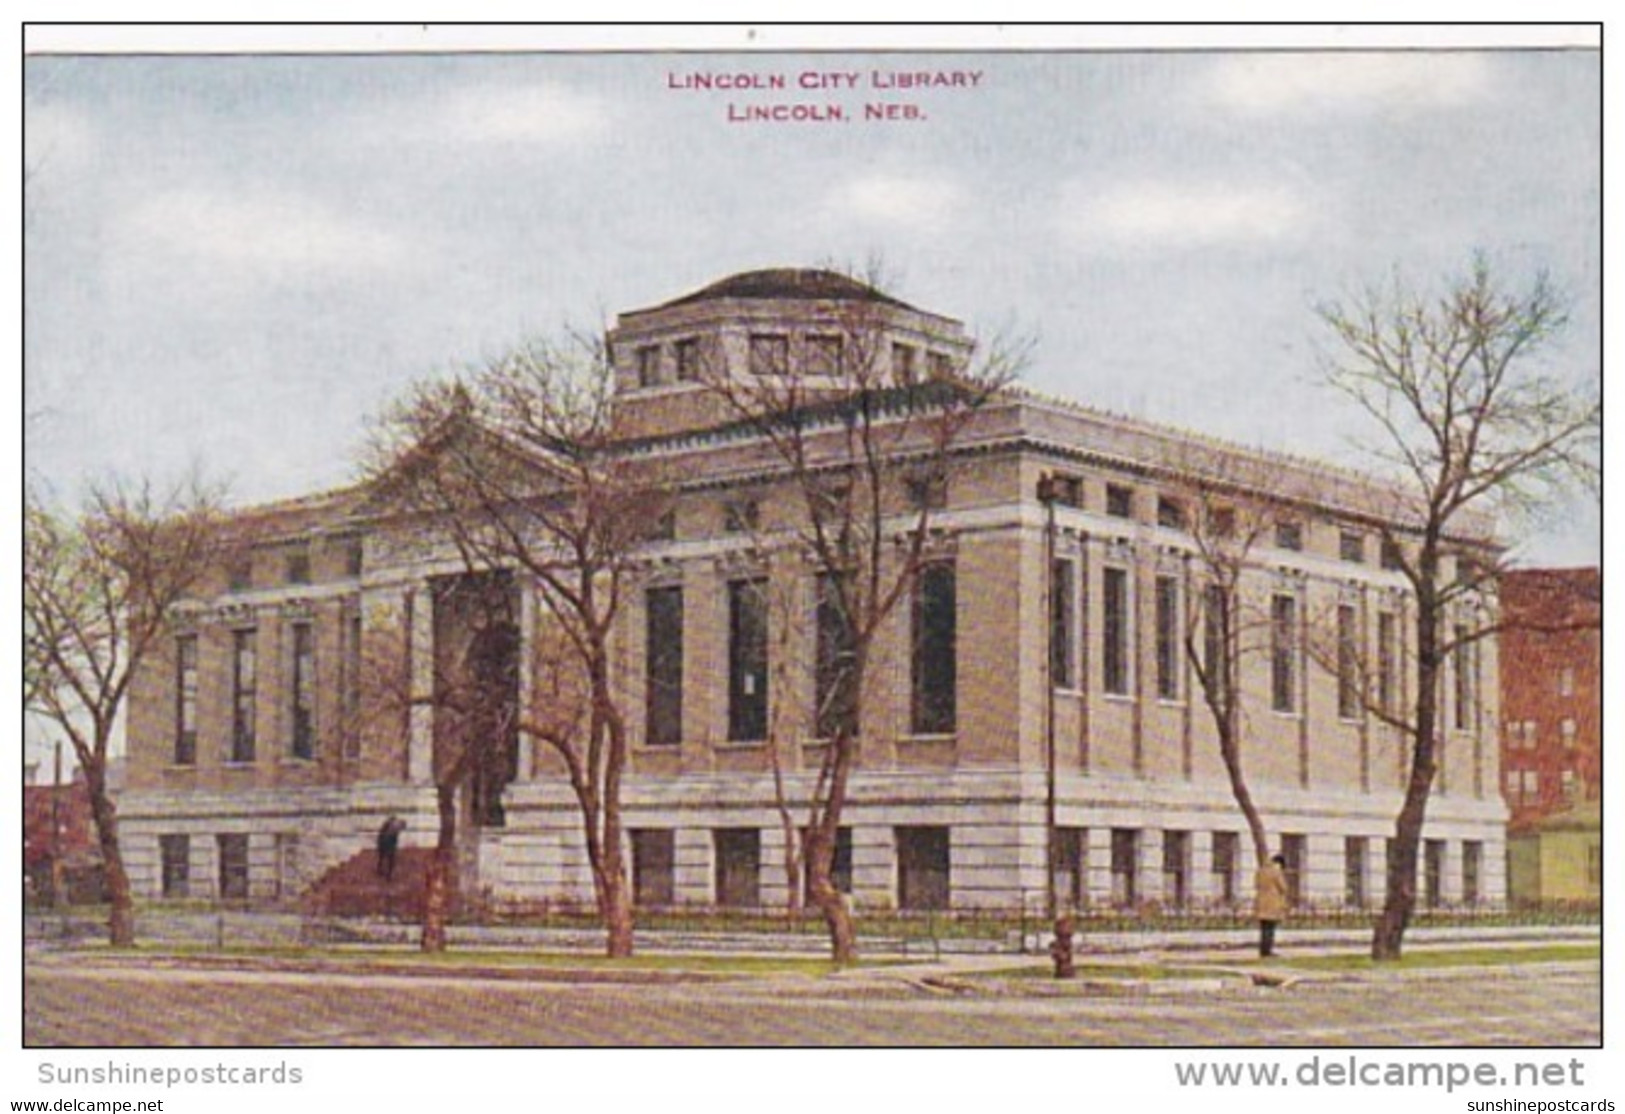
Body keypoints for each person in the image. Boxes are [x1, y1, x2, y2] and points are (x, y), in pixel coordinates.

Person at [1254, 853, 1290, 958]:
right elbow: (1283, 887)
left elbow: (1256, 885)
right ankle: (1268, 950)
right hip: (1272, 902)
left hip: (1261, 902)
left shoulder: (1260, 871)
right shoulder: (1276, 872)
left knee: (1263, 928)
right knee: (1270, 928)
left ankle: (1263, 949)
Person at [376, 815, 406, 882]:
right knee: (391, 860)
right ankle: (389, 875)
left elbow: (381, 834)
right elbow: (393, 839)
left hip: (382, 842)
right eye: (402, 828)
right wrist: (393, 848)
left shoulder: (389, 824)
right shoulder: (396, 827)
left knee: (382, 856)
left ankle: (380, 870)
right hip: (386, 843)